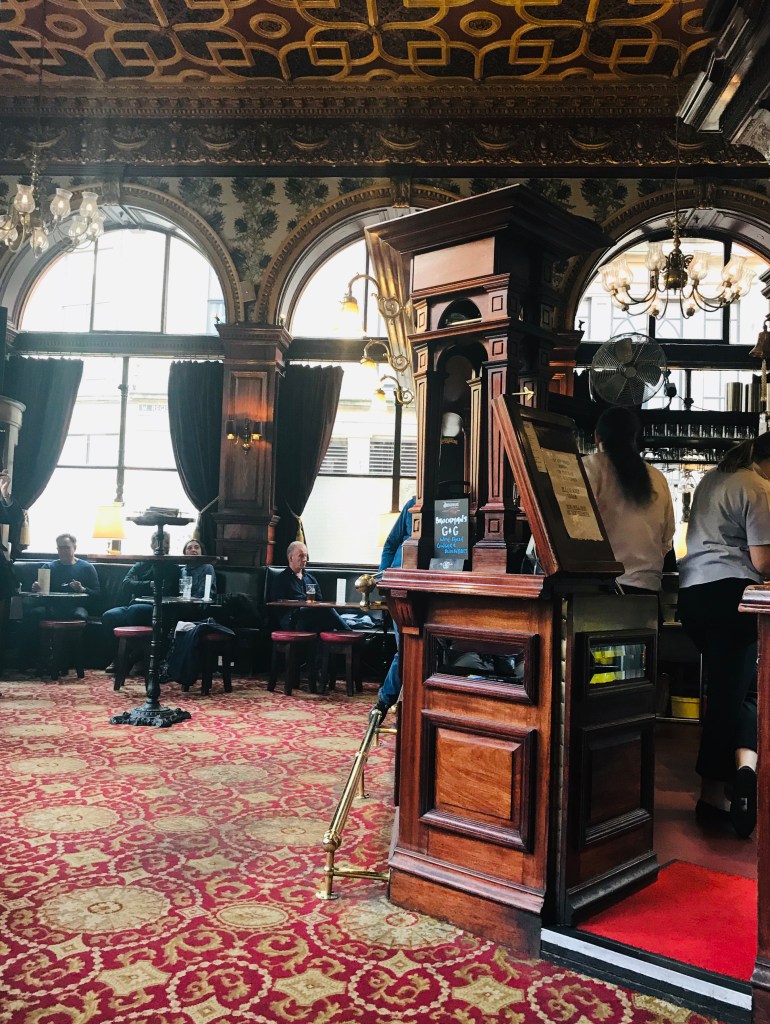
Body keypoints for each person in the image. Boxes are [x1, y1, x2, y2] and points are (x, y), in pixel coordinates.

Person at [677, 432, 770, 839]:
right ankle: (712, 795)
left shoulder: (714, 478)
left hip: (694, 596)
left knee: (741, 691)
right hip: (732, 598)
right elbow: (763, 561)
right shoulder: (757, 486)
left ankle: (743, 772)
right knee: (729, 699)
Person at [582, 406, 675, 599]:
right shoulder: (657, 477)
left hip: (601, 589)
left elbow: (576, 526)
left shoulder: (589, 467)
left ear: (597, 437)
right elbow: (667, 540)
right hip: (648, 588)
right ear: (634, 437)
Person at [101, 531, 180, 668]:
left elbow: (165, 590)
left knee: (136, 611)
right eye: (159, 541)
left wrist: (137, 586)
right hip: (133, 605)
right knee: (108, 616)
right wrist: (149, 584)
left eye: (166, 542)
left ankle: (132, 658)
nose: (163, 545)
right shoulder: (142, 563)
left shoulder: (173, 567)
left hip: (158, 608)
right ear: (152, 545)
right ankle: (118, 657)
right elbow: (126, 584)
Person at [373, 495, 415, 720]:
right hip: (398, 588)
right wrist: (383, 578)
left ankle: (386, 702)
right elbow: (390, 543)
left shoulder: (453, 509)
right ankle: (384, 702)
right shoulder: (412, 504)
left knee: (412, 651)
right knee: (406, 650)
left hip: (429, 588)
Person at [272, 540, 349, 632]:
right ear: (291, 558)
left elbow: (319, 600)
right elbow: (278, 602)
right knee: (327, 610)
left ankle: (345, 635)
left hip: (311, 617)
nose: (305, 559)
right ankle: (349, 632)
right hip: (292, 619)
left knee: (326, 617)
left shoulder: (310, 579)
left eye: (306, 556)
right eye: (301, 556)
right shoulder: (281, 579)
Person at [30, 533, 100, 620]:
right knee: (34, 613)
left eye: (66, 548)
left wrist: (82, 589)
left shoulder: (87, 568)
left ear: (74, 548)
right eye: (60, 548)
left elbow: (97, 594)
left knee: (79, 615)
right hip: (52, 606)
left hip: (76, 607)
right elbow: (39, 594)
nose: (63, 551)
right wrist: (36, 589)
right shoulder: (48, 567)